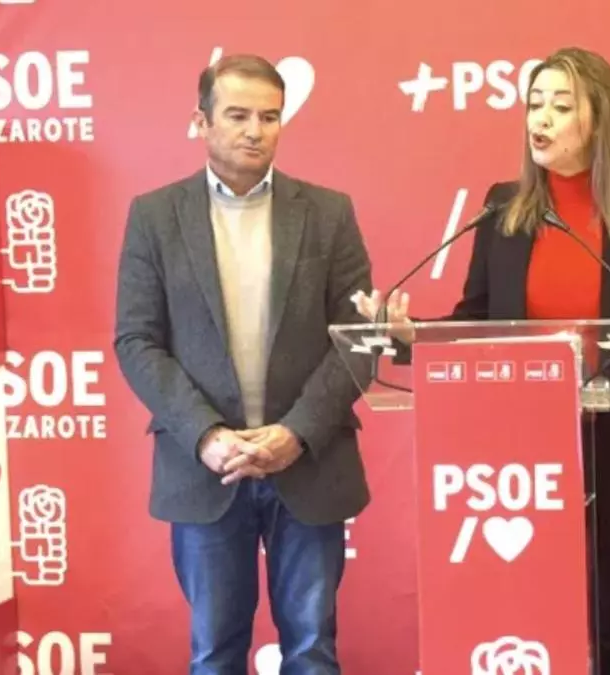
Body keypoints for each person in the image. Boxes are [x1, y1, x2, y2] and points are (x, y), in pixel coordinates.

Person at [356, 47, 610, 675]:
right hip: (520, 458)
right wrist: (410, 334)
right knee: (526, 628)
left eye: (561, 105)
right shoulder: (504, 208)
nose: (541, 119)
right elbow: (478, 321)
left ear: (600, 119)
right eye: (534, 104)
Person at [112, 53, 373, 674]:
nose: (256, 130)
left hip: (308, 464)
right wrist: (206, 435)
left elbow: (360, 338)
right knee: (214, 654)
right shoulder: (155, 216)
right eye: (237, 115)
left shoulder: (328, 213)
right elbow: (136, 340)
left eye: (269, 117)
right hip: (206, 470)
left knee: (312, 650)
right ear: (201, 121)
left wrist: (296, 433)